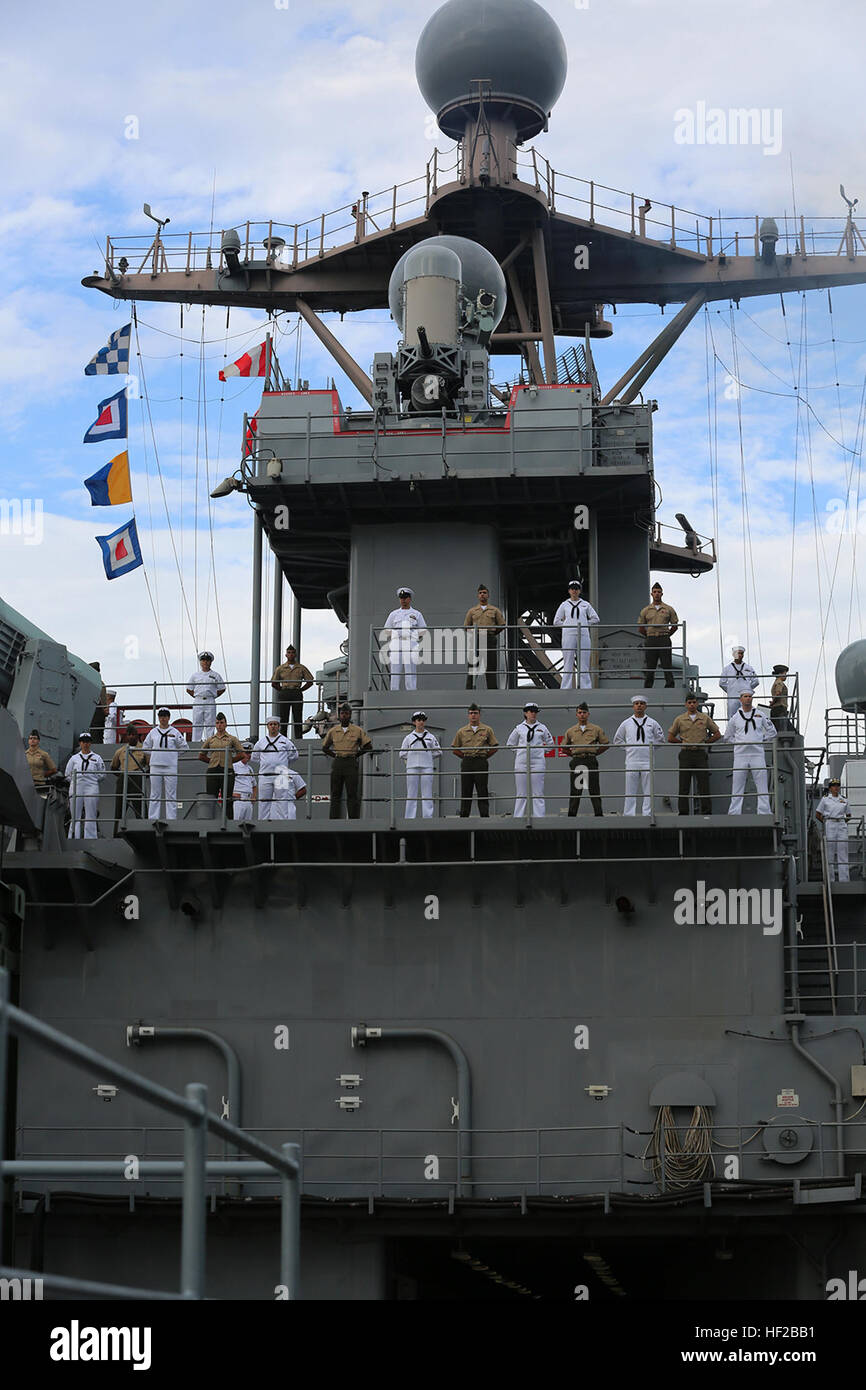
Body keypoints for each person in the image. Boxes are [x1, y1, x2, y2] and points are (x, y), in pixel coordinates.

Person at [723, 691, 776, 816]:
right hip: (740, 755)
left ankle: (764, 811)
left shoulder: (760, 715)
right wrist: (738, 743)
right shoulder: (735, 718)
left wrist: (761, 739)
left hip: (757, 753)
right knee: (737, 784)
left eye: (750, 696)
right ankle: (734, 812)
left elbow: (772, 732)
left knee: (761, 783)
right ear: (740, 699)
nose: (748, 699)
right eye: (745, 696)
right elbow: (727, 736)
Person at [668, 695, 721, 816]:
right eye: (689, 702)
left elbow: (717, 734)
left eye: (694, 702)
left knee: (703, 785)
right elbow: (670, 737)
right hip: (686, 753)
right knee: (684, 785)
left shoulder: (704, 718)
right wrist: (681, 742)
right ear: (686, 704)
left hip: (700, 753)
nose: (692, 704)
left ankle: (706, 812)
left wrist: (706, 743)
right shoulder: (680, 719)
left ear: (697, 704)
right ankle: (683, 813)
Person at [613, 696, 665, 816]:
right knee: (630, 789)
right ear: (633, 706)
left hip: (648, 760)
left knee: (648, 790)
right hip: (632, 760)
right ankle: (629, 814)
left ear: (645, 706)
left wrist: (650, 749)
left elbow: (661, 739)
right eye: (637, 703)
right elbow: (618, 739)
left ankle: (648, 813)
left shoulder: (652, 723)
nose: (639, 705)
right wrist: (629, 748)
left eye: (642, 703)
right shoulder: (626, 723)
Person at [322, 704, 373, 820]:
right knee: (335, 793)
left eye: (346, 713)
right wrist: (335, 755)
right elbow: (325, 747)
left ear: (350, 715)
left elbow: (368, 746)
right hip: (338, 762)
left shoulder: (357, 731)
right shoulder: (333, 731)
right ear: (340, 716)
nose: (344, 715)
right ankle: (333, 819)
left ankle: (353, 819)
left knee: (352, 793)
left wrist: (356, 754)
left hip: (351, 762)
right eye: (342, 713)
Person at [507, 702, 555, 818]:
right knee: (521, 792)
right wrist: (520, 752)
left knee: (538, 792)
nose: (533, 714)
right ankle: (518, 817)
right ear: (525, 713)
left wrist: (540, 752)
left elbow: (550, 744)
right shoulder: (519, 728)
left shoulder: (542, 728)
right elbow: (510, 744)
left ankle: (539, 817)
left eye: (535, 711)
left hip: (537, 763)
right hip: (521, 763)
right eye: (530, 711)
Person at [452, 704, 499, 817]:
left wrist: (484, 757)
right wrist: (465, 757)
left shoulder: (487, 729)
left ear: (479, 714)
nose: (473, 715)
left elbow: (495, 746)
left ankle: (484, 815)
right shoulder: (462, 731)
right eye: (471, 713)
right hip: (467, 761)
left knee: (482, 789)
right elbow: (454, 748)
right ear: (468, 715)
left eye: (475, 713)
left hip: (481, 761)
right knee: (466, 789)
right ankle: (464, 815)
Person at [564, 703, 609, 818]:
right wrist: (574, 754)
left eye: (584, 712)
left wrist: (594, 753)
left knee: (594, 789)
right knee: (576, 790)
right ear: (576, 714)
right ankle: (572, 815)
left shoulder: (595, 729)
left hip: (591, 761)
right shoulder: (571, 731)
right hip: (577, 762)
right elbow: (563, 747)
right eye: (579, 713)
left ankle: (598, 814)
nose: (582, 715)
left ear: (588, 714)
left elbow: (606, 744)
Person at [554, 581, 600, 691]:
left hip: (583, 634)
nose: (574, 591)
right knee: (568, 661)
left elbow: (595, 618)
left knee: (584, 662)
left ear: (579, 590)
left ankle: (586, 687)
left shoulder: (585, 604)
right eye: (572, 588)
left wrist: (584, 624)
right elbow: (556, 621)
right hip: (569, 635)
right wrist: (567, 625)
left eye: (576, 588)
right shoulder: (564, 605)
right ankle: (566, 687)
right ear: (569, 590)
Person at [142, 710, 187, 821]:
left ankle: (171, 819)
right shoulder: (153, 732)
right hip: (155, 766)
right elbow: (145, 747)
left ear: (169, 717)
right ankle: (153, 818)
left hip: (170, 766)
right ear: (158, 718)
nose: (163, 718)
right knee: (155, 794)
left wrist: (173, 755)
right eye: (161, 716)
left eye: (165, 716)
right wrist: (155, 754)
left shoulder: (175, 732)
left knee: (171, 794)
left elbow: (184, 747)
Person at [252, 717, 299, 821]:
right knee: (264, 802)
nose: (273, 726)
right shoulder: (261, 742)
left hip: (281, 776)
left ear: (279, 726)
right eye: (271, 724)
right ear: (267, 726)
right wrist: (267, 763)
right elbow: (255, 757)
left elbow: (294, 755)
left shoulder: (285, 741)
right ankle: (262, 822)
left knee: (282, 801)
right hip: (265, 775)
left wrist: (283, 763)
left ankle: (283, 823)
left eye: (275, 724)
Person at [199, 713, 245, 817]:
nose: (219, 725)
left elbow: (242, 754)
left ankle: (229, 820)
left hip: (227, 770)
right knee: (212, 797)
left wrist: (230, 761)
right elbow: (201, 755)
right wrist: (211, 761)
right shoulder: (210, 739)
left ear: (226, 724)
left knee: (227, 798)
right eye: (217, 723)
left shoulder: (232, 739)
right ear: (215, 725)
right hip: (213, 770)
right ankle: (211, 820)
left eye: (221, 723)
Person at [382, 588, 427, 692]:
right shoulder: (393, 614)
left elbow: (423, 630)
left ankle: (411, 691)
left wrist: (414, 635)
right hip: (396, 643)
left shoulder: (417, 614)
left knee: (410, 669)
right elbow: (386, 630)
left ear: (410, 599)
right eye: (401, 598)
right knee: (395, 670)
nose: (403, 600)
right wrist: (395, 634)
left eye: (405, 598)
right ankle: (394, 691)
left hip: (411, 643)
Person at [400, 712, 441, 819]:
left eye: (422, 720)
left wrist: (426, 756)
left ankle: (427, 816)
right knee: (411, 793)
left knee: (427, 793)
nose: (421, 722)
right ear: (414, 722)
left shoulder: (431, 737)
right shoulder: (408, 738)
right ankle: (409, 817)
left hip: (427, 766)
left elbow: (438, 751)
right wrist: (412, 758)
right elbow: (402, 753)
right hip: (412, 767)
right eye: (418, 720)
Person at [464, 586, 505, 691]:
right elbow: (466, 626)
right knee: (473, 664)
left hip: (489, 638)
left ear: (488, 595)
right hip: (477, 638)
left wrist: (493, 632)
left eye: (484, 592)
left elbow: (502, 624)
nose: (482, 594)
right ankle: (469, 689)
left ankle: (492, 689)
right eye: (480, 593)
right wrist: (473, 634)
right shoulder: (472, 611)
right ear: (478, 595)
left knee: (490, 665)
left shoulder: (494, 610)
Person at [65, 732, 106, 839]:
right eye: (83, 741)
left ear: (90, 743)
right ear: (80, 743)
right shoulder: (74, 758)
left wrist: (91, 778)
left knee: (91, 814)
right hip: (76, 787)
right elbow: (67, 774)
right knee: (75, 815)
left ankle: (90, 837)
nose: (85, 744)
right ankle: (74, 836)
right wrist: (76, 782)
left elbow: (102, 774)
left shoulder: (97, 758)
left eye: (87, 741)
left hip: (91, 787)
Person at [638, 584, 678, 689]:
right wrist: (648, 635)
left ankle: (670, 685)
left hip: (664, 638)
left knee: (666, 664)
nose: (657, 594)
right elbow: (641, 627)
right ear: (651, 594)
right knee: (650, 665)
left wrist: (667, 634)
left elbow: (675, 625)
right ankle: (648, 686)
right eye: (655, 592)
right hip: (651, 639)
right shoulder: (646, 610)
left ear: (662, 594)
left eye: (658, 592)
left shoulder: (668, 609)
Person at [270, 646, 315, 739]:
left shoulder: (301, 668)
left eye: (292, 652)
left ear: (295, 654)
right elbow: (273, 683)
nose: (291, 654)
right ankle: (283, 738)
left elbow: (310, 681)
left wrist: (301, 690)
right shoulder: (281, 668)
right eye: (289, 652)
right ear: (286, 655)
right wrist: (281, 690)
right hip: (285, 692)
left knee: (298, 716)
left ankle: (298, 737)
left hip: (296, 692)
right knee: (283, 716)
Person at [110, 725, 147, 832]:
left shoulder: (144, 749)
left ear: (137, 736)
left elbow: (149, 765)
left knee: (140, 809)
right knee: (119, 809)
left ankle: (145, 833)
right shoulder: (120, 751)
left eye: (133, 734)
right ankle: (116, 835)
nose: (131, 737)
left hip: (137, 779)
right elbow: (113, 767)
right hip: (124, 779)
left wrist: (143, 775)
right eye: (129, 735)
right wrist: (122, 775)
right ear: (126, 736)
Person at [815, 778, 851, 882]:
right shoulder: (825, 799)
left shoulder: (844, 799)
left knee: (843, 852)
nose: (836, 787)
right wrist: (826, 822)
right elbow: (818, 814)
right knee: (829, 853)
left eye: (837, 785)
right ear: (830, 788)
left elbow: (848, 815)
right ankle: (830, 879)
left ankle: (844, 879)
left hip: (841, 825)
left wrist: (842, 822)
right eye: (834, 785)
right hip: (829, 824)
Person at [186, 652, 226, 743]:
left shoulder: (215, 675)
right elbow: (189, 689)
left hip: (210, 700)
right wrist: (197, 695)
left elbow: (222, 688)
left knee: (210, 722)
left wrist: (214, 695)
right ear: (200, 662)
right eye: (203, 660)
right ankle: (195, 742)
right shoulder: (195, 675)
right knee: (197, 722)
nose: (205, 662)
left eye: (207, 660)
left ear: (211, 662)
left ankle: (210, 741)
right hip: (198, 700)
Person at [720, 645, 759, 720]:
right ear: (733, 654)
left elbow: (756, 681)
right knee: (732, 716)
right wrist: (730, 690)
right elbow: (722, 683)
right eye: (738, 653)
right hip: (733, 697)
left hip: (745, 696)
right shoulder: (727, 669)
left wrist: (747, 689)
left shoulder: (748, 668)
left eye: (741, 653)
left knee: (747, 715)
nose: (740, 655)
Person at [231, 743, 258, 823]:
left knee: (247, 826)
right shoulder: (233, 766)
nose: (248, 755)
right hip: (238, 800)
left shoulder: (250, 769)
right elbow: (225, 782)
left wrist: (253, 797)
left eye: (250, 753)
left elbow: (254, 786)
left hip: (248, 801)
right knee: (236, 825)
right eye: (246, 753)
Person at [89, 662, 108, 741]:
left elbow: (103, 703)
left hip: (96, 713)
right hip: (96, 712)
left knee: (96, 735)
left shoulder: (94, 683)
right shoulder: (101, 683)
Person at [770, 664, 791, 733]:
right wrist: (773, 702)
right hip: (780, 708)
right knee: (782, 729)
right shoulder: (779, 682)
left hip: (777, 708)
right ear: (780, 674)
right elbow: (778, 693)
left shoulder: (776, 682)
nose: (786, 676)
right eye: (785, 673)